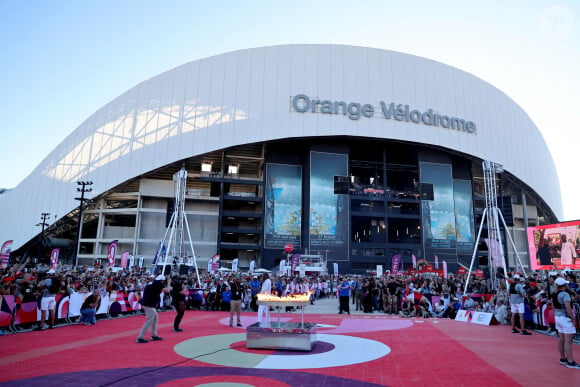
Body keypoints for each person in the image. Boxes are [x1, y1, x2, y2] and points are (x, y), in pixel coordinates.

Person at [553, 277, 580, 369]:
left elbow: (554, 306)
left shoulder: (554, 293)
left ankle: (563, 358)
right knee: (568, 340)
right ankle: (570, 361)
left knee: (561, 339)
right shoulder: (565, 294)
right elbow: (568, 308)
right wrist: (572, 317)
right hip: (565, 318)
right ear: (564, 285)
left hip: (557, 316)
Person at [136, 274, 171, 343]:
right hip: (149, 304)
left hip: (148, 303)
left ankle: (154, 335)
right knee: (149, 321)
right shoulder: (158, 283)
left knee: (155, 318)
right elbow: (167, 291)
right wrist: (169, 283)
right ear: (162, 280)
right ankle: (140, 337)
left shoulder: (153, 282)